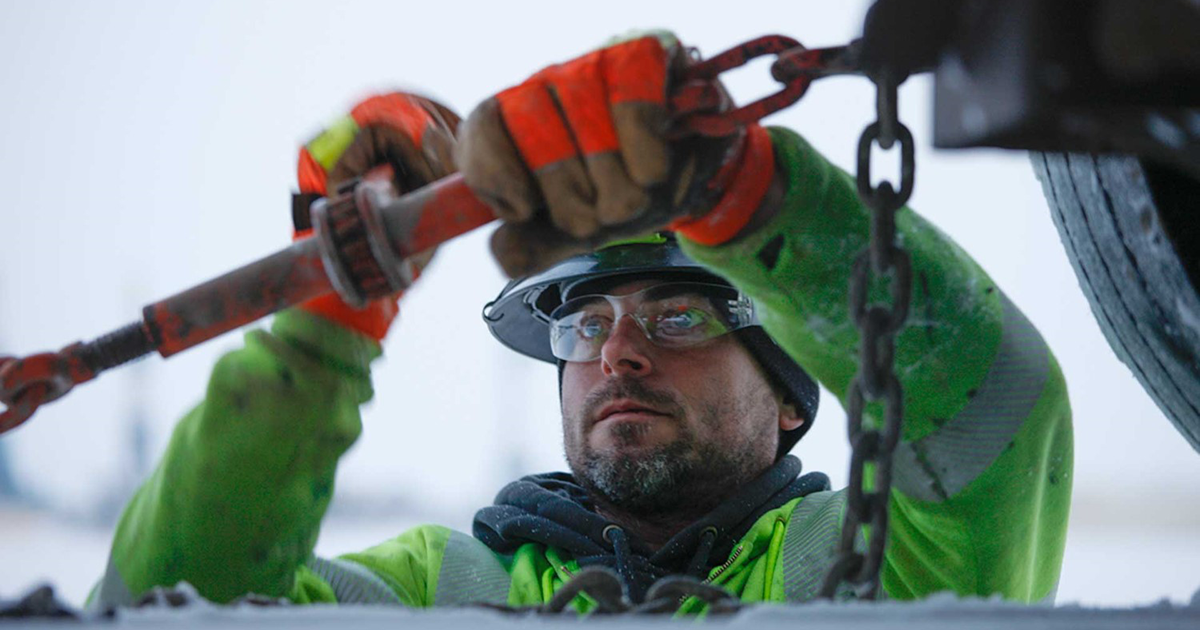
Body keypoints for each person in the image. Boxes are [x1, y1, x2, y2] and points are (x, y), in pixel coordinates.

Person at [89, 32, 1072, 611]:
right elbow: (165, 608)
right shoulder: (446, 589)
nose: (616, 351)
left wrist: (749, 198)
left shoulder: (864, 571)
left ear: (785, 398)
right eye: (581, 324)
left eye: (679, 316)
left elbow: (996, 423)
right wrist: (332, 316)